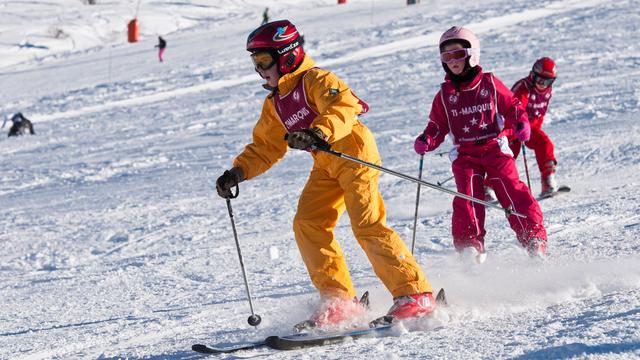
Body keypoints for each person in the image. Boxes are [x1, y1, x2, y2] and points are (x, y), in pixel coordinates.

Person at [216, 20, 436, 328]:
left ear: (287, 55)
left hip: (354, 152)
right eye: (255, 62)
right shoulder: (276, 103)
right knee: (308, 223)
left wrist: (318, 131)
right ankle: (340, 301)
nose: (259, 69)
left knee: (366, 224)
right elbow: (265, 146)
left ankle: (415, 294)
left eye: (264, 60)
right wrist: (238, 171)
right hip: (325, 162)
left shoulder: (316, 80)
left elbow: (343, 107)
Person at [413, 26, 548, 261]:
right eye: (446, 57)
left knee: (511, 188)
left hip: (494, 147)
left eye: (457, 55)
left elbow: (513, 106)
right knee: (467, 196)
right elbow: (437, 125)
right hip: (465, 153)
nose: (452, 61)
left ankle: (533, 238)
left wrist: (520, 121)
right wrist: (428, 138)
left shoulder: (489, 83)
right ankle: (470, 247)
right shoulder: (445, 95)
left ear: (471, 54)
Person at [508, 57, 559, 197]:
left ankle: (548, 181)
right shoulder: (523, 88)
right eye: (540, 80)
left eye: (548, 82)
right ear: (533, 75)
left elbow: (539, 113)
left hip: (530, 128)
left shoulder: (547, 91)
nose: (543, 84)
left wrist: (535, 129)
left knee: (544, 143)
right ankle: (488, 187)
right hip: (511, 129)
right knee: (508, 156)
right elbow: (515, 112)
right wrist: (517, 132)